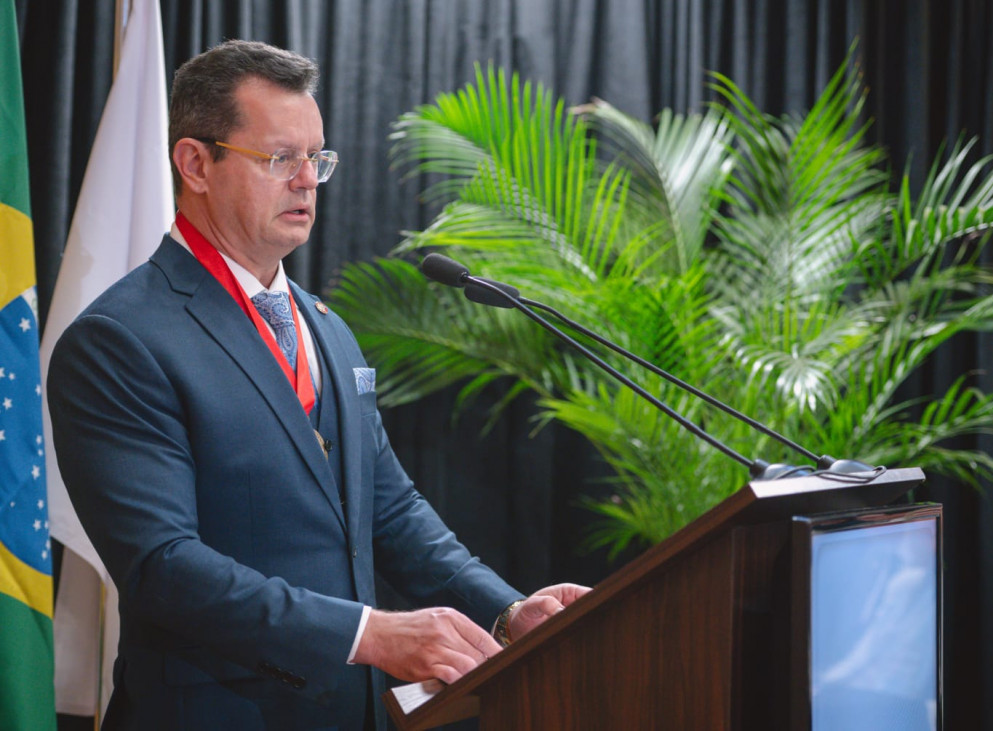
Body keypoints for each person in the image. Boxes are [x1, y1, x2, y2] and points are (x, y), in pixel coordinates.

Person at [48, 39, 588, 730]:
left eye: (316, 158)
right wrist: (368, 634)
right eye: (280, 158)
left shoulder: (323, 326)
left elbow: (389, 510)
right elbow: (163, 566)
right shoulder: (121, 338)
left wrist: (507, 610)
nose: (307, 180)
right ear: (195, 163)